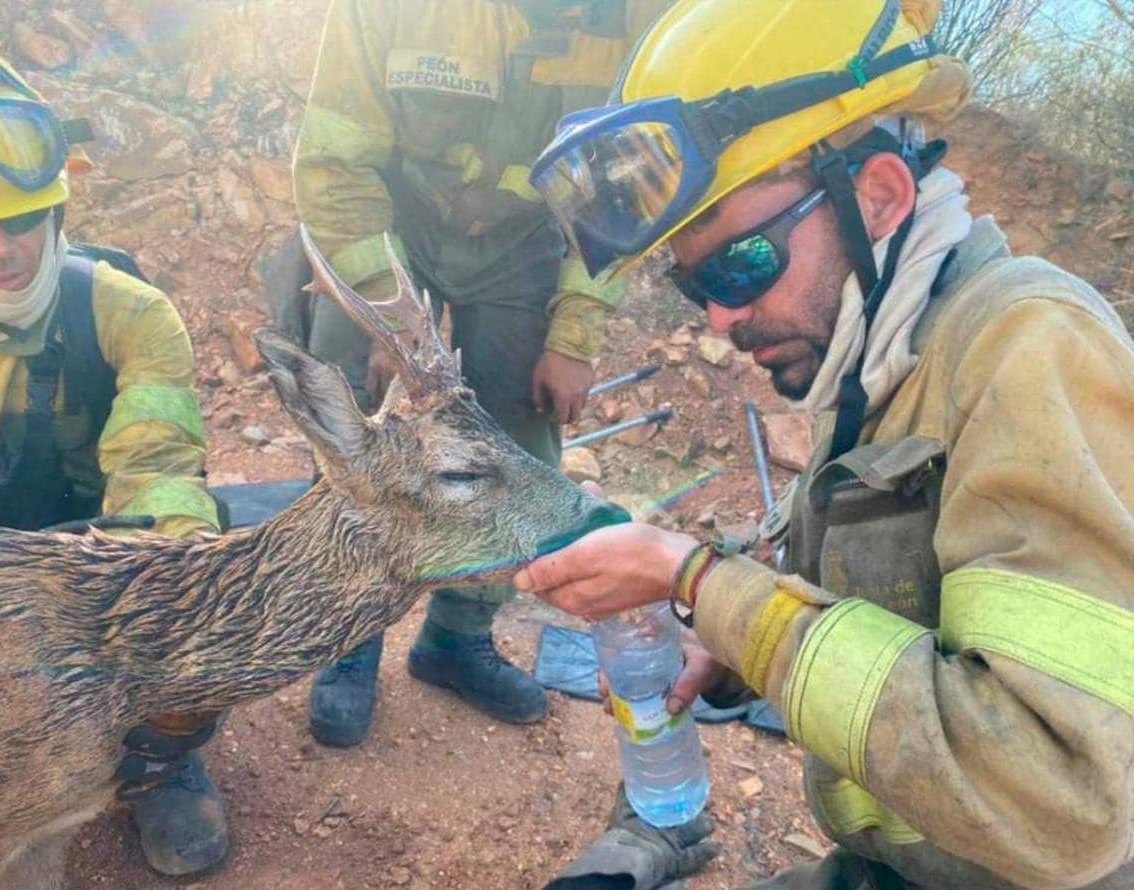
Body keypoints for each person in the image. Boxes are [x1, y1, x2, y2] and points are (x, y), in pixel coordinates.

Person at [520, 0, 1134, 888]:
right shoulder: (885, 364)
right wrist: (733, 652)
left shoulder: (1030, 346)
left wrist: (698, 579)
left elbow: (1059, 801)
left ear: (878, 196)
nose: (724, 319)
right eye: (698, 288)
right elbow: (896, 612)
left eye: (741, 265)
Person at [291, 0, 673, 747]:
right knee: (358, 445)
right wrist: (387, 317)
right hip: (388, 231)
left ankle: (455, 638)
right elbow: (335, 166)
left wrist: (575, 336)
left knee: (518, 446)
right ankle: (347, 637)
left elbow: (623, 191)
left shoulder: (638, 17)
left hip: (527, 244)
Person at [0, 4, 227, 877]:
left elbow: (160, 469)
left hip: (93, 577)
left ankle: (162, 765)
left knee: (192, 588)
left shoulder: (125, 311)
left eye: (26, 218)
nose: (4, 249)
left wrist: (183, 596)